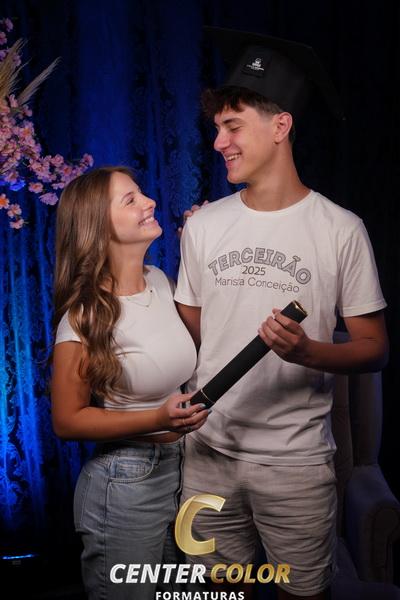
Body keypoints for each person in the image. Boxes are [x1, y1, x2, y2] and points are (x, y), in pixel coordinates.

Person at [175, 28, 388, 600]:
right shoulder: (203, 226)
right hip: (207, 455)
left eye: (232, 126)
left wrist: (307, 351)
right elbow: (191, 327)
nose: (218, 142)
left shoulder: (340, 229)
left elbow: (374, 348)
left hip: (296, 465)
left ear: (280, 126)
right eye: (217, 128)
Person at [51, 166, 209, 600]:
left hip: (181, 472)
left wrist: (202, 247)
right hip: (124, 484)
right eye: (131, 200)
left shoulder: (161, 281)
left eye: (141, 193)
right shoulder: (83, 317)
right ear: (99, 226)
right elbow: (66, 420)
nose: (149, 201)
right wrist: (157, 418)